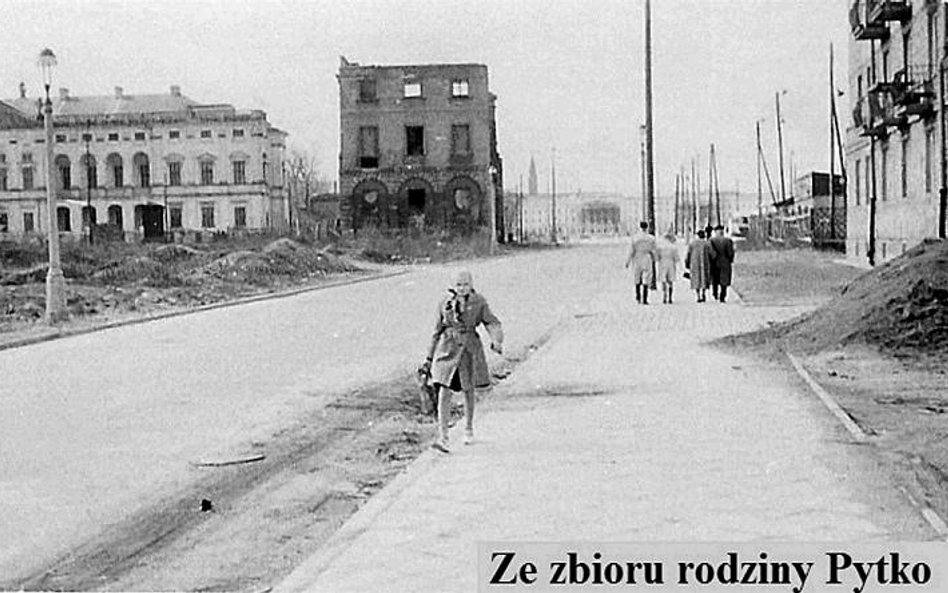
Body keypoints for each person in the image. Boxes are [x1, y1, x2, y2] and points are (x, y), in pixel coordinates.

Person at [422, 270, 503, 452]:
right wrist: (429, 357)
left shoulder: (479, 301)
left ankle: (468, 427)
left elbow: (491, 322)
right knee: (444, 388)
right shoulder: (445, 303)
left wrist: (496, 340)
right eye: (458, 285)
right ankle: (443, 436)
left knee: (468, 389)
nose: (462, 288)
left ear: (471, 284)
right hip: (448, 349)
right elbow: (436, 331)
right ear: (453, 286)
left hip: (469, 350)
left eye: (465, 284)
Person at [624, 221, 657, 304]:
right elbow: (654, 250)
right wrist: (655, 259)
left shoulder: (635, 238)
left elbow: (631, 251)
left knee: (637, 277)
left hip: (637, 257)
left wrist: (627, 261)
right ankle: (645, 298)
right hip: (647, 257)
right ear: (647, 227)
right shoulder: (651, 238)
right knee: (647, 278)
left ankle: (638, 296)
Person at [684, 229, 713, 302]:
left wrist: (687, 263)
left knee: (696, 279)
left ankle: (698, 295)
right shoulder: (707, 244)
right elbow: (712, 254)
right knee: (704, 278)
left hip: (694, 263)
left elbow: (688, 254)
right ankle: (703, 293)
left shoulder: (692, 243)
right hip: (705, 263)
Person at [709, 224, 736, 302]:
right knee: (724, 280)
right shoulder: (728, 241)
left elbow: (710, 252)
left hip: (715, 263)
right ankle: (722, 296)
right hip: (725, 262)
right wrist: (730, 260)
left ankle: (715, 293)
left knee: (715, 279)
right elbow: (731, 253)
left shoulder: (712, 240)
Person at [655, 231, 680, 304]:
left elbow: (656, 257)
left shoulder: (660, 247)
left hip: (662, 263)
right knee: (670, 280)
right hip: (671, 264)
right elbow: (677, 258)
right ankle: (670, 296)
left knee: (663, 280)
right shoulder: (673, 247)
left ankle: (664, 294)